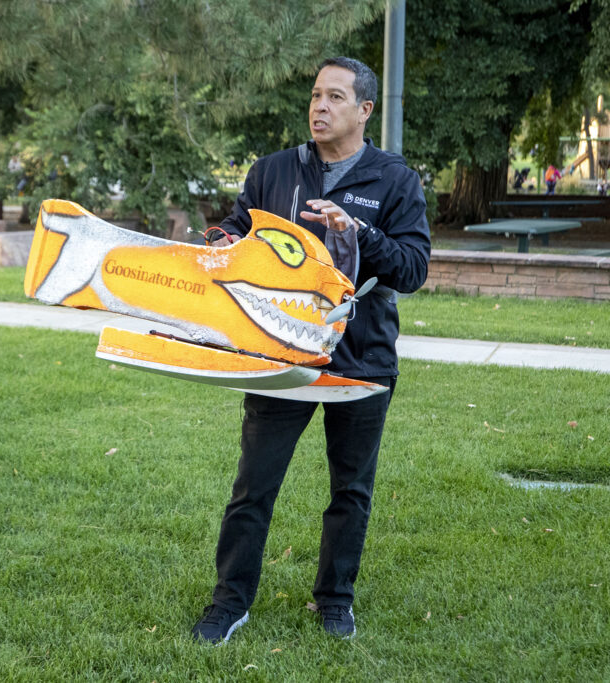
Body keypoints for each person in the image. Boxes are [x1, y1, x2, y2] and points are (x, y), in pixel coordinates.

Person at [191, 57, 431, 642]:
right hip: (280, 357)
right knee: (254, 485)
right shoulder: (273, 171)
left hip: (362, 358)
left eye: (335, 98)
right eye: (316, 95)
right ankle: (229, 602)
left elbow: (414, 268)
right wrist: (222, 240)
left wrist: (359, 233)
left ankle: (335, 601)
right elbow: (237, 230)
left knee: (350, 490)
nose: (319, 107)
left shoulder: (394, 179)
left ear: (364, 110)